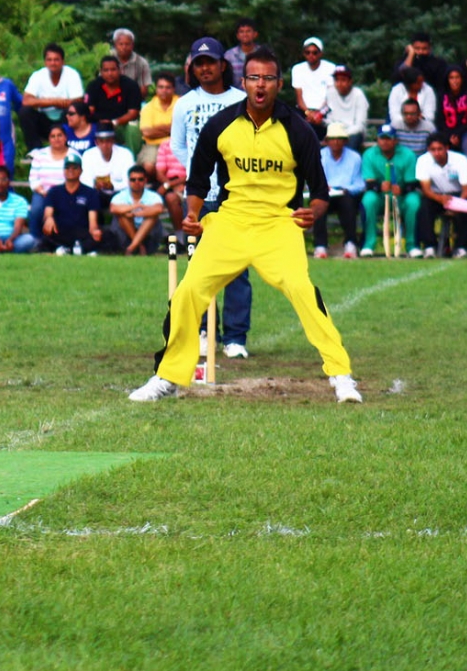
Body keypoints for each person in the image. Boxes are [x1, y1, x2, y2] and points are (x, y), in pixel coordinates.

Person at [128, 49, 361, 405]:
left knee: (301, 289)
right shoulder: (221, 124)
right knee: (188, 292)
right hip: (231, 222)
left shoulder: (298, 129)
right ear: (243, 83)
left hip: (278, 224)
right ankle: (168, 377)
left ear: (279, 84)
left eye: (268, 78)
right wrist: (191, 213)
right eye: (254, 78)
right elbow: (198, 180)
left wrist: (312, 211)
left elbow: (321, 191)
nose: (261, 85)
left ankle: (341, 376)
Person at [169, 36, 251, 359]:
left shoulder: (241, 99)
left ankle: (235, 338)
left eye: (210, 62)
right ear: (192, 68)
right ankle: (205, 332)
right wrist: (196, 175)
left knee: (236, 268)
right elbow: (178, 146)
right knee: (201, 267)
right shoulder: (185, 104)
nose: (204, 68)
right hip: (200, 198)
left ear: (222, 65)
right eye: (198, 63)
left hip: (235, 196)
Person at [360, 124, 422, 258]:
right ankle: (368, 245)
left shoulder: (408, 155)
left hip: (401, 196)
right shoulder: (369, 155)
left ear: (395, 140)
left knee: (414, 201)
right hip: (380, 196)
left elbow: (412, 183)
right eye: (382, 138)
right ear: (377, 139)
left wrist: (402, 189)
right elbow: (369, 182)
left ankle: (412, 245)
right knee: (368, 200)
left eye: (388, 138)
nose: (385, 142)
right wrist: (379, 187)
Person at [416, 132, 467, 258]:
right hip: (436, 196)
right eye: (433, 150)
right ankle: (429, 246)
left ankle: (461, 247)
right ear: (428, 150)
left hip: (457, 195)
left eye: (440, 149)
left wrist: (456, 205)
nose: (437, 153)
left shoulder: (460, 160)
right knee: (424, 206)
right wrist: (440, 199)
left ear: (447, 148)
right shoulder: (423, 160)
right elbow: (426, 189)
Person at [312, 123, 364, 259]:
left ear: (345, 141)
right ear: (326, 141)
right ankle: (320, 245)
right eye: (332, 138)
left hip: (345, 194)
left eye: (339, 138)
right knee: (318, 203)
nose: (336, 142)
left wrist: (346, 189)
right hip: (326, 194)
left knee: (347, 203)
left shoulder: (355, 158)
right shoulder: (319, 156)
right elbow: (313, 179)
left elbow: (359, 184)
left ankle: (351, 243)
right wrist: (323, 187)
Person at [19, 43, 83, 150]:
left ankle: (69, 148)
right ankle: (35, 150)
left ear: (63, 61)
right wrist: (53, 102)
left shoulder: (72, 74)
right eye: (49, 60)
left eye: (56, 60)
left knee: (71, 111)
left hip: (65, 120)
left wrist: (41, 102)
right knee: (25, 112)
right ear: (45, 62)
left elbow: (78, 102)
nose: (53, 63)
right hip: (44, 121)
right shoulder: (38, 76)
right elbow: (26, 101)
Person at [40, 152, 105, 254]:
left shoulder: (90, 193)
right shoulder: (54, 191)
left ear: (81, 170)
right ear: (63, 170)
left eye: (74, 168)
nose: (71, 170)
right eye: (67, 167)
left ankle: (75, 249)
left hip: (82, 232)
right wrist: (49, 218)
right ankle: (68, 249)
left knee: (105, 236)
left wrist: (94, 231)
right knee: (46, 236)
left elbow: (93, 220)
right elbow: (48, 212)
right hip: (61, 232)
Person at [85, 55, 143, 152]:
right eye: (106, 70)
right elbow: (89, 110)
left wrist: (114, 122)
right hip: (99, 124)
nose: (110, 73)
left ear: (119, 70)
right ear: (101, 71)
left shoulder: (131, 85)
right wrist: (101, 122)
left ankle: (132, 160)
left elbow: (133, 113)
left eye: (113, 70)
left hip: (121, 124)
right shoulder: (93, 85)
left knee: (133, 128)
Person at [110, 164, 165, 255]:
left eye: (140, 179)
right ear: (128, 181)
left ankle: (131, 247)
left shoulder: (153, 196)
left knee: (151, 217)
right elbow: (114, 209)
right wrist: (136, 206)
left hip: (148, 233)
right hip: (125, 233)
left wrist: (135, 214)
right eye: (133, 180)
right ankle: (138, 246)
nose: (137, 182)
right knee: (122, 216)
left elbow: (158, 209)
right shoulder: (121, 195)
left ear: (145, 181)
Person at [26, 124, 72, 233]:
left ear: (65, 137)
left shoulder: (73, 155)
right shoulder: (40, 155)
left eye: (59, 135)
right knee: (36, 209)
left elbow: (77, 177)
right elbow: (33, 178)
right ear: (49, 139)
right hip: (43, 193)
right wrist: (43, 191)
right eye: (53, 136)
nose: (56, 139)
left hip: (66, 193)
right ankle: (35, 240)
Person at [79, 121, 135, 208]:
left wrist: (113, 186)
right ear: (96, 142)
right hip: (97, 193)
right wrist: (95, 185)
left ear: (113, 140)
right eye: (101, 141)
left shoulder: (125, 154)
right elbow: (85, 180)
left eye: (108, 141)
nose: (105, 145)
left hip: (120, 193)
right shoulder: (88, 155)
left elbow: (129, 181)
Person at [291, 36, 336, 137]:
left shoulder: (330, 68)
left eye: (315, 52)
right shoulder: (297, 69)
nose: (311, 55)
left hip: (325, 110)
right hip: (304, 110)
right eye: (308, 52)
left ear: (321, 53)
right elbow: (299, 97)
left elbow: (330, 95)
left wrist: (319, 114)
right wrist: (309, 113)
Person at [137, 72, 180, 178]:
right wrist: (171, 128)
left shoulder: (181, 104)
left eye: (167, 87)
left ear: (174, 89)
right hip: (153, 145)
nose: (164, 90)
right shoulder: (148, 107)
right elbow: (147, 132)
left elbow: (183, 129)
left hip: (177, 143)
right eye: (160, 87)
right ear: (156, 89)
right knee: (148, 166)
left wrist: (157, 128)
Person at [439, 64, 467, 167]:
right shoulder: (441, 96)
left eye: (457, 77)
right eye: (451, 78)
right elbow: (439, 120)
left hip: (466, 131)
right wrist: (449, 135)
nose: (455, 81)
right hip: (446, 131)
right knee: (438, 140)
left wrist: (458, 134)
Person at [323, 66, 370, 152]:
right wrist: (322, 122)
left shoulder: (358, 95)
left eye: (343, 80)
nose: (339, 83)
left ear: (350, 81)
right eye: (337, 80)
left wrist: (342, 134)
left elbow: (359, 126)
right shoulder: (330, 93)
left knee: (349, 145)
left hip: (353, 133)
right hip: (335, 131)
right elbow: (330, 119)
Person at [395, 31, 448, 95]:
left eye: (424, 49)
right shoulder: (404, 61)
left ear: (429, 49)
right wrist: (411, 54)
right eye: (417, 48)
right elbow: (399, 76)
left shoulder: (438, 64)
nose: (420, 52)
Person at [154, 139, 188, 234]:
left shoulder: (194, 142)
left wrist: (169, 185)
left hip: (191, 183)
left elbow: (195, 172)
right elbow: (159, 173)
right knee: (170, 198)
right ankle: (180, 236)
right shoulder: (165, 145)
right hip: (171, 184)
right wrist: (172, 185)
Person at [111, 28, 153, 94]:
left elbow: (144, 90)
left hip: (133, 99)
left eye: (127, 44)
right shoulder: (109, 60)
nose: (124, 47)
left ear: (132, 45)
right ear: (115, 45)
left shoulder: (141, 63)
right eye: (121, 44)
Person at [223, 18, 260, 82]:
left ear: (255, 34)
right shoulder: (229, 56)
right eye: (241, 32)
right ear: (237, 36)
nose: (245, 34)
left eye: (248, 31)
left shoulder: (265, 54)